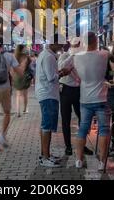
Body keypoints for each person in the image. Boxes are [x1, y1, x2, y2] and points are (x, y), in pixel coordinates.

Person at [73, 32, 114, 170]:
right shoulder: (103, 54)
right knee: (104, 130)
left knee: (82, 129)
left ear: (85, 42)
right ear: (96, 41)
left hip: (85, 98)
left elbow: (72, 72)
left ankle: (78, 160)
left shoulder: (77, 57)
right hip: (101, 97)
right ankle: (102, 162)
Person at [35, 34, 70, 168]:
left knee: (46, 125)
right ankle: (45, 157)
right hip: (48, 94)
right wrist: (63, 73)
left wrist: (59, 71)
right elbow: (51, 77)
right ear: (54, 43)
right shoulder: (49, 57)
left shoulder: (45, 55)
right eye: (60, 45)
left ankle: (46, 154)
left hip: (47, 93)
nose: (61, 48)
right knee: (47, 126)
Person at [58, 37, 93, 157]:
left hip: (79, 90)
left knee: (83, 118)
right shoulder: (64, 56)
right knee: (65, 119)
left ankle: (81, 145)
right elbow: (60, 67)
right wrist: (72, 56)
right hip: (66, 89)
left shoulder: (82, 57)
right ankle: (68, 146)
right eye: (77, 45)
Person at [13, 45, 32, 117]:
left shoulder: (15, 57)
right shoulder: (25, 57)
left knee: (18, 94)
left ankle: (18, 111)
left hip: (16, 76)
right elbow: (24, 67)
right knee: (25, 94)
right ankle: (24, 109)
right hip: (24, 76)